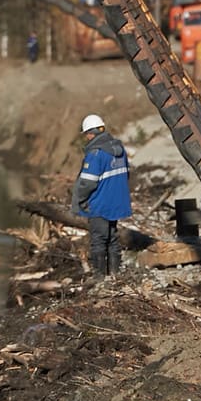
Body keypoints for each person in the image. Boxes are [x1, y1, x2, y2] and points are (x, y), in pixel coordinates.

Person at [73, 114, 130, 278]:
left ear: (90, 133)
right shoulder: (119, 150)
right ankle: (114, 274)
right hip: (116, 202)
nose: (86, 138)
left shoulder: (96, 154)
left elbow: (87, 183)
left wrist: (81, 201)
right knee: (112, 238)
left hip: (100, 203)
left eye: (86, 134)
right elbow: (126, 175)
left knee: (98, 240)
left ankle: (99, 279)